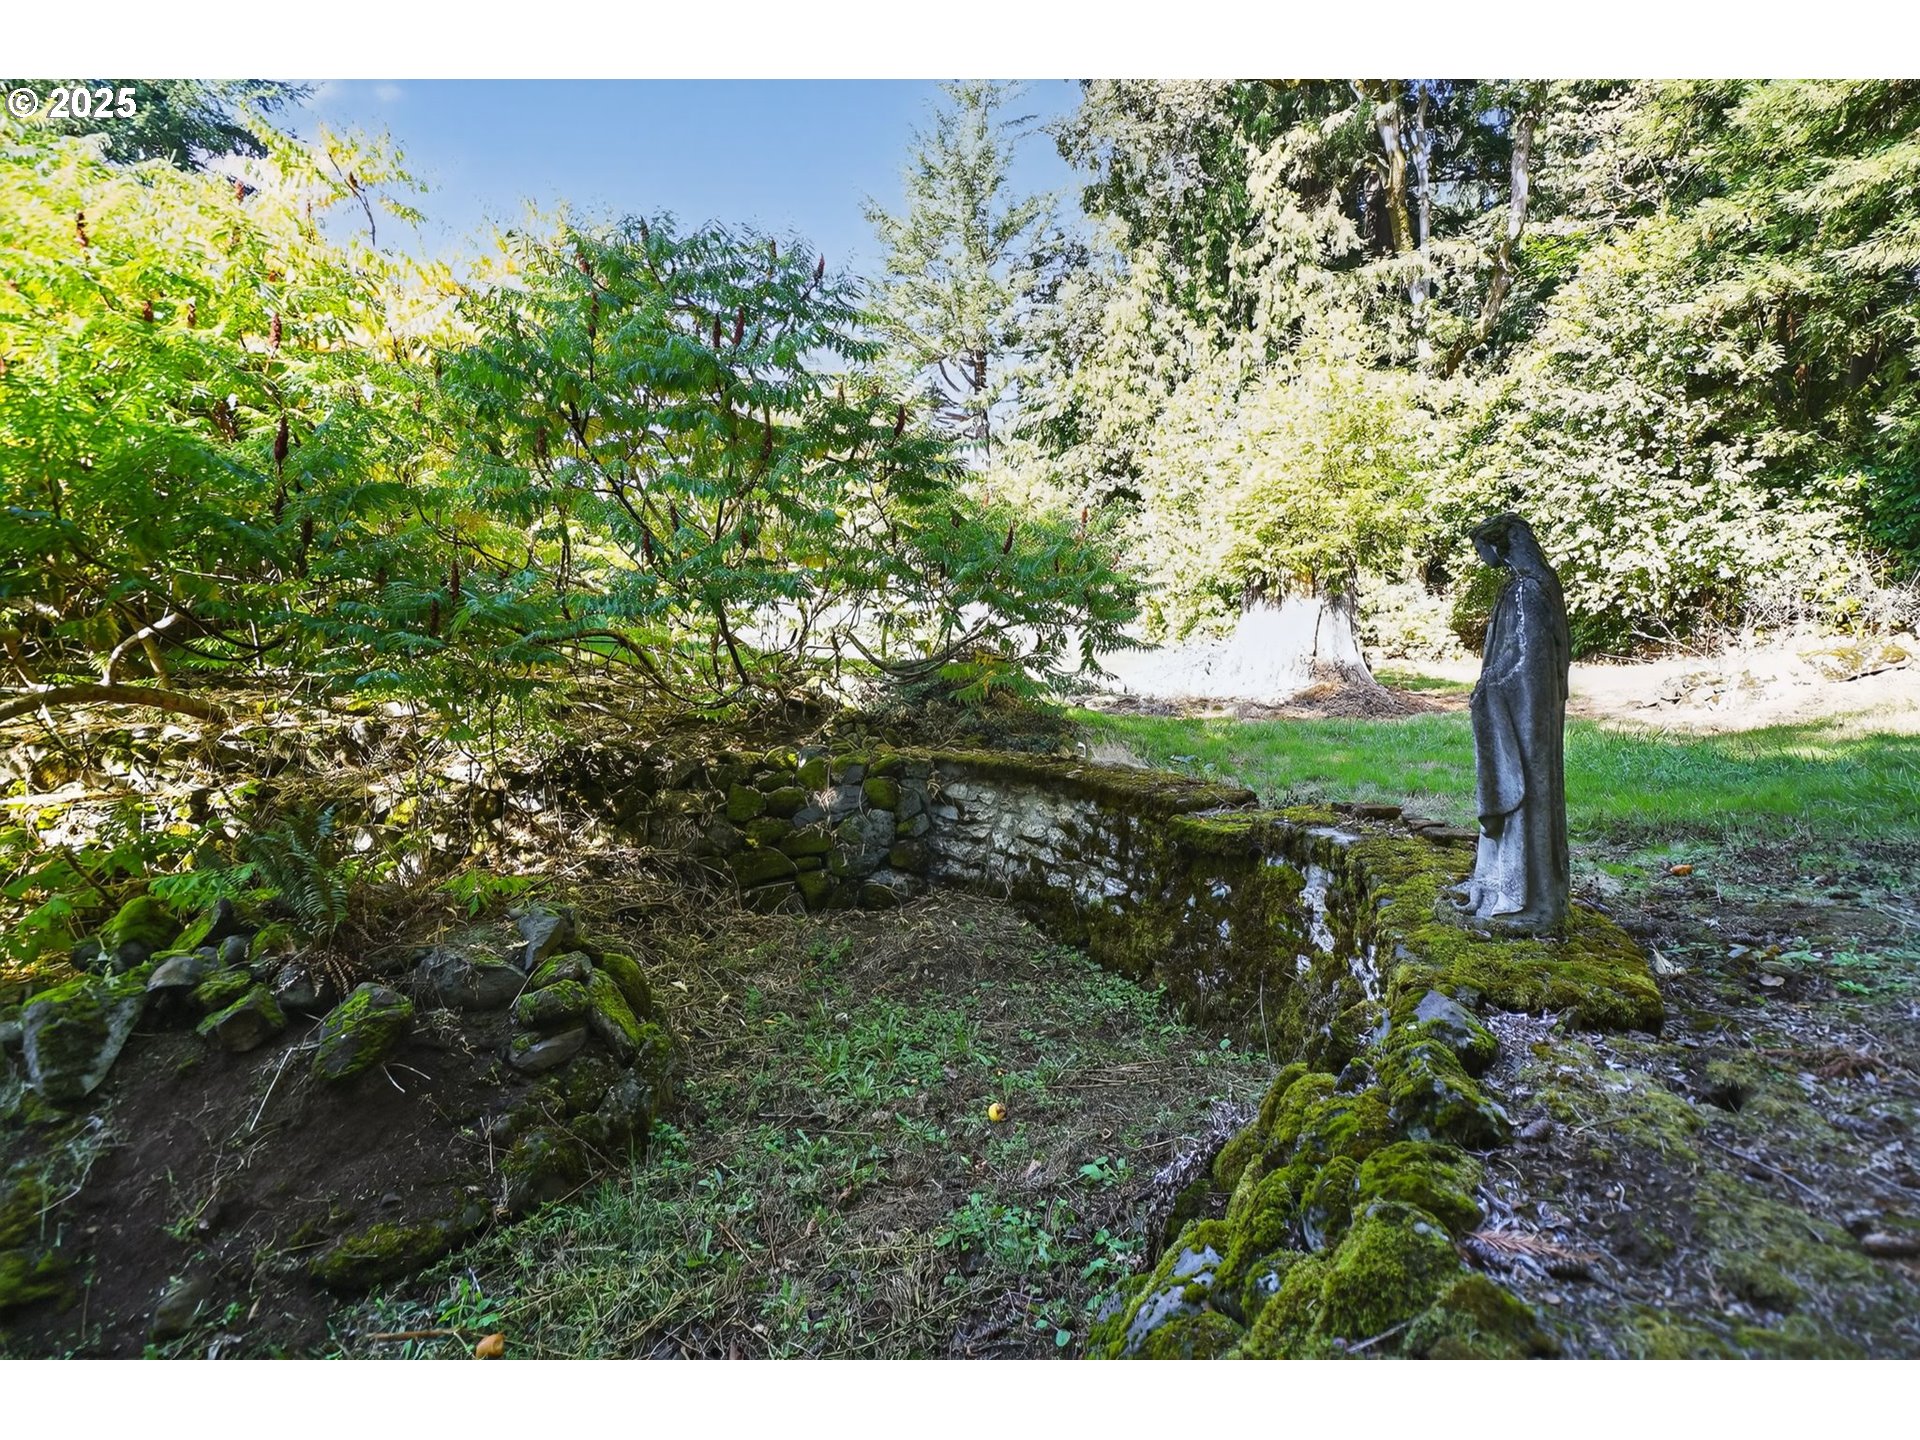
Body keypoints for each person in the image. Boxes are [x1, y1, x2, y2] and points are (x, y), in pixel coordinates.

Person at [1448, 513, 1571, 932]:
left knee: (1523, 796)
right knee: (1526, 794)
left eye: (1482, 551)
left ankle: (1519, 901)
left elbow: (1525, 662)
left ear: (1500, 547)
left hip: (1524, 718)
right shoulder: (1539, 586)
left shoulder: (1526, 592)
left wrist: (1488, 688)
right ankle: (1494, 884)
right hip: (1532, 716)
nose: (1481, 559)